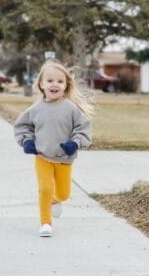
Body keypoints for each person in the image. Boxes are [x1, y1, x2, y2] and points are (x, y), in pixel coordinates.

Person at [13, 60, 94, 237]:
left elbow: (83, 129)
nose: (54, 84)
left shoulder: (71, 109)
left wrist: (75, 143)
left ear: (66, 86)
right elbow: (22, 126)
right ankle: (45, 223)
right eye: (49, 81)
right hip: (42, 156)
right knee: (45, 189)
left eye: (59, 81)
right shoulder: (35, 109)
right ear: (41, 84)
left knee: (63, 194)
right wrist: (27, 141)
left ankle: (56, 201)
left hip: (64, 158)